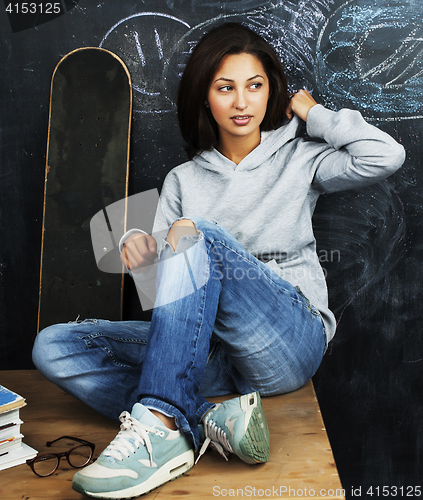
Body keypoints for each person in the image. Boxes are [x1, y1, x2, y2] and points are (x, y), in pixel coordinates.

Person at [32, 22, 405, 499]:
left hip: (288, 343)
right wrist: (143, 257)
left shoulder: (300, 157)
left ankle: (162, 428)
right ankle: (206, 419)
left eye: (255, 86)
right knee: (54, 346)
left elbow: (384, 156)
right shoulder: (182, 180)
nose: (242, 102)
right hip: (211, 356)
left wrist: (315, 114)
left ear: (272, 92)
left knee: (200, 235)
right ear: (205, 96)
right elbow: (170, 309)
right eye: (225, 88)